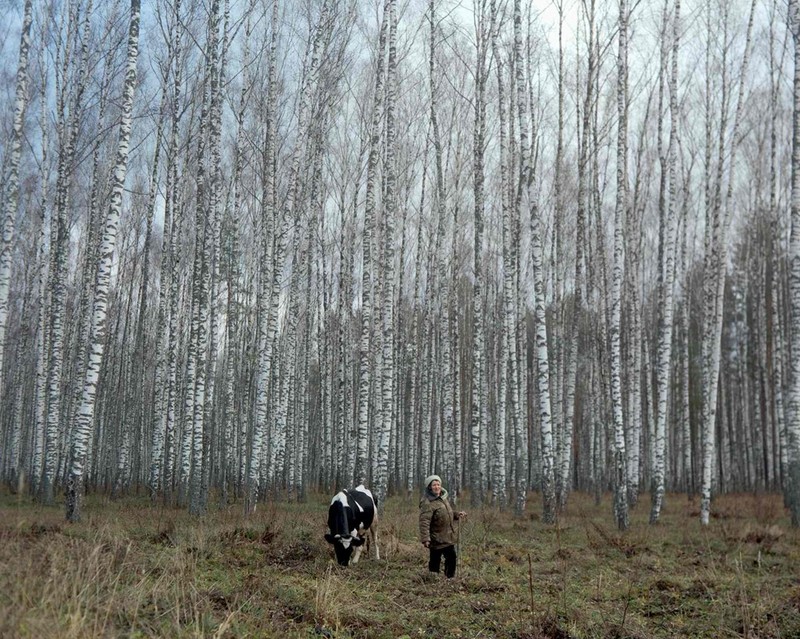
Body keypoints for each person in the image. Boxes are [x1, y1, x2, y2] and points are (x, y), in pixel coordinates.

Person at [418, 474, 466, 578]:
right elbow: (424, 522)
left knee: (451, 557)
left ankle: (449, 579)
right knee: (435, 559)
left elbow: (447, 513)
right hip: (436, 538)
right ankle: (433, 580)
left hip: (448, 536)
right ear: (429, 487)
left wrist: (457, 514)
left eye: (438, 484)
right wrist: (426, 539)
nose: (437, 487)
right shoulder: (427, 503)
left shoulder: (442, 498)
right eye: (434, 485)